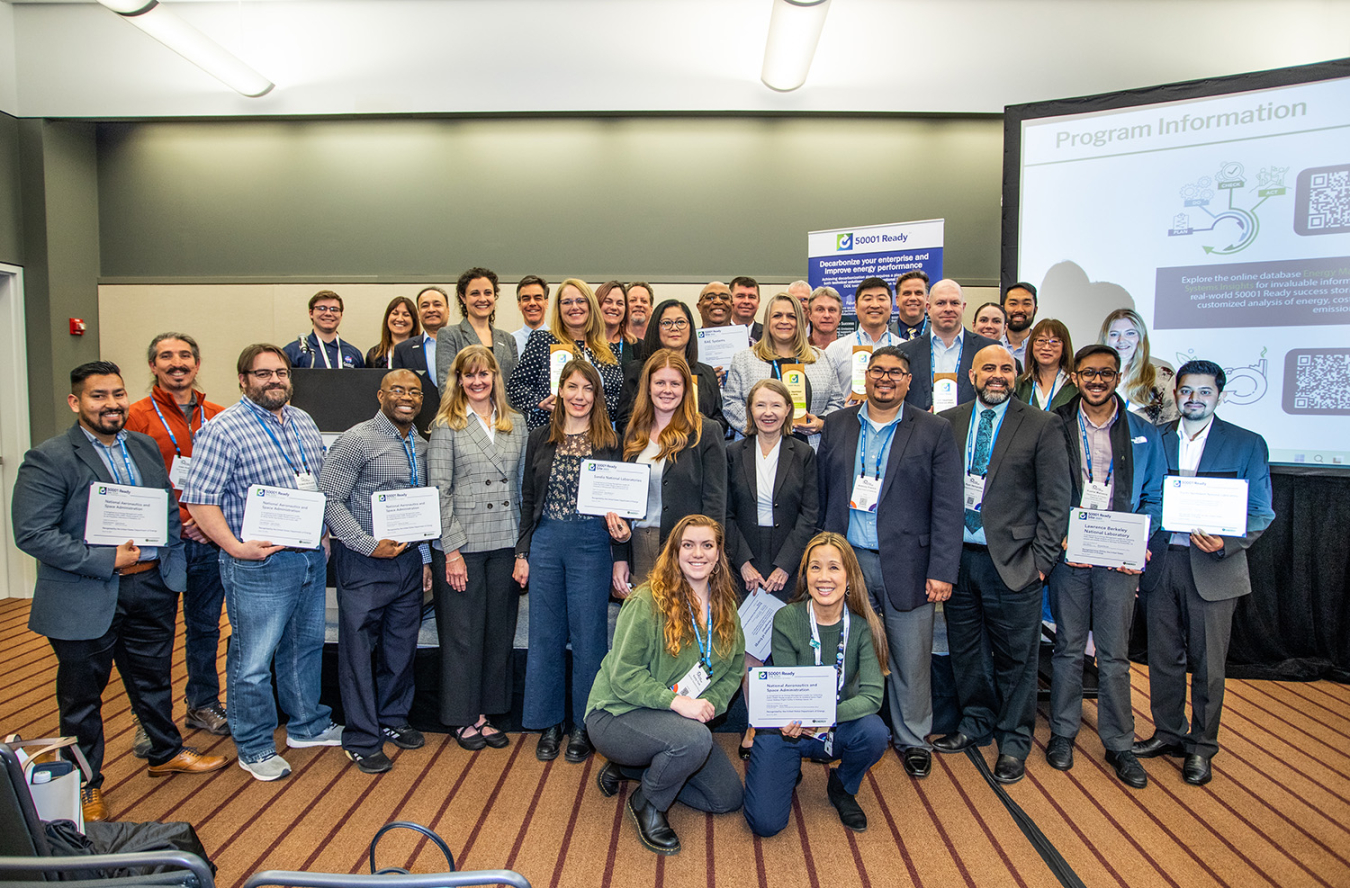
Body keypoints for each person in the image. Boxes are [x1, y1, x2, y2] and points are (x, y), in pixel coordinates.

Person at [13, 361, 229, 823]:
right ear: (76, 402)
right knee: (81, 699)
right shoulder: (49, 457)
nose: (110, 404)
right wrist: (104, 559)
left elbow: (165, 504)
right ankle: (85, 784)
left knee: (152, 681)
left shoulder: (144, 445)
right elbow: (32, 533)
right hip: (85, 592)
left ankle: (165, 751)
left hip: (150, 585)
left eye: (116, 394)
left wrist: (168, 549)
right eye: (97, 396)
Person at [181, 344, 344, 782]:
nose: (275, 380)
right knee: (252, 661)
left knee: (304, 647)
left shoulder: (302, 421)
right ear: (243, 379)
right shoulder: (223, 429)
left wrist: (324, 534)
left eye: (281, 372)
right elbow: (198, 499)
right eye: (263, 373)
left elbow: (316, 485)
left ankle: (307, 726)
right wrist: (234, 547)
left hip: (308, 555)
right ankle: (253, 746)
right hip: (258, 564)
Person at [817, 346, 963, 779]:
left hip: (909, 563)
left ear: (909, 381)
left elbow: (948, 506)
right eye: (877, 371)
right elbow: (823, 491)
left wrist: (942, 569)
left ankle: (913, 738)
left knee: (910, 655)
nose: (885, 378)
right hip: (845, 561)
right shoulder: (838, 424)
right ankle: (836, 729)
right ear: (865, 377)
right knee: (840, 649)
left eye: (895, 373)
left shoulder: (934, 430)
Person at [1132, 360, 1275, 786]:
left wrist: (1228, 541)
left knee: (1209, 665)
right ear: (1176, 393)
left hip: (1214, 565)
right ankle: (1168, 732)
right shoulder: (1154, 438)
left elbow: (1261, 509)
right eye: (1187, 391)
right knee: (1163, 657)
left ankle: (1201, 747)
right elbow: (1141, 495)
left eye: (1205, 392)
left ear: (1220, 395)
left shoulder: (1247, 443)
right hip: (1161, 562)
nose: (1194, 398)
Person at [933, 344, 1070, 785]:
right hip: (958, 561)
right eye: (988, 368)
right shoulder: (947, 423)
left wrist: (1042, 563)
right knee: (968, 652)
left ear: (1017, 376)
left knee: (1016, 659)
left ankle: (1014, 739)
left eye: (1005, 369)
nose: (997, 375)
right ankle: (975, 723)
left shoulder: (1042, 425)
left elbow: (1056, 501)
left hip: (1014, 563)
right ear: (971, 375)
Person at [587, 515, 746, 856]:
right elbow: (624, 675)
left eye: (707, 545)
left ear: (719, 554)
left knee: (727, 798)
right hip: (617, 712)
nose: (698, 553)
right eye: (688, 545)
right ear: (674, 552)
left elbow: (733, 668)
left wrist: (710, 704)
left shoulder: (727, 607)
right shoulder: (646, 601)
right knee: (694, 741)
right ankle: (648, 802)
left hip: (674, 721)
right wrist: (678, 704)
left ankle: (635, 766)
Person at [1047, 344, 1165, 789]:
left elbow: (1154, 494)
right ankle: (1062, 732)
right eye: (1088, 373)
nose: (1097, 381)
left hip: (1118, 558)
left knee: (1115, 656)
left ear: (1118, 378)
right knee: (1068, 649)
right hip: (1070, 555)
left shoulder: (1142, 431)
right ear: (1075, 377)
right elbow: (1044, 489)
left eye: (1106, 374)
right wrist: (1057, 535)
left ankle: (1119, 743)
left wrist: (1141, 542)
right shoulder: (1055, 426)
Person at [317, 370, 431, 774]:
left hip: (407, 561)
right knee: (358, 653)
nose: (407, 397)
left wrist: (426, 560)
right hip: (364, 563)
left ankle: (392, 718)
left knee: (401, 647)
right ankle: (362, 737)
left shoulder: (420, 443)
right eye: (398, 390)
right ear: (381, 394)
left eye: (414, 392)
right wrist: (367, 543)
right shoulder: (357, 439)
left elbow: (423, 505)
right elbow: (329, 499)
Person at [516, 360, 628, 764]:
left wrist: (621, 542)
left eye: (588, 389)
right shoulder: (540, 437)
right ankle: (549, 723)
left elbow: (622, 502)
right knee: (545, 634)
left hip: (592, 545)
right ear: (560, 391)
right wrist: (523, 552)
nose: (579, 396)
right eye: (573, 387)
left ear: (597, 396)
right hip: (546, 541)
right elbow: (528, 499)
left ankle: (584, 724)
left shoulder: (611, 441)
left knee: (589, 637)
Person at [743, 532, 891, 836]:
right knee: (765, 824)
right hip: (790, 730)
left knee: (875, 732)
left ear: (850, 576)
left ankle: (843, 785)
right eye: (815, 567)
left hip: (840, 724)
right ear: (805, 574)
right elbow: (787, 687)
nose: (824, 577)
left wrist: (823, 714)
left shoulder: (866, 627)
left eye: (834, 567)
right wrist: (797, 717)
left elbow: (872, 698)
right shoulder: (786, 618)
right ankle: (789, 769)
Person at [124, 333, 229, 742]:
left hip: (208, 540)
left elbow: (230, 479)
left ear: (197, 364)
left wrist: (206, 523)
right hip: (161, 542)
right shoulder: (135, 417)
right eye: (166, 356)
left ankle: (202, 704)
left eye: (185, 355)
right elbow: (133, 483)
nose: (177, 362)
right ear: (153, 366)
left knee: (204, 627)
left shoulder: (219, 416)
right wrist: (183, 518)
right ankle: (150, 722)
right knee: (155, 635)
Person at [427, 345, 527, 751]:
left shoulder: (515, 423)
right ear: (458, 380)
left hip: (505, 541)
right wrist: (450, 551)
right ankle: (462, 716)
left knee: (497, 633)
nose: (478, 381)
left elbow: (523, 489)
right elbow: (438, 490)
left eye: (485, 373)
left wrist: (524, 550)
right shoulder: (446, 424)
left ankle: (486, 711)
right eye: (470, 375)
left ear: (495, 378)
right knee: (462, 635)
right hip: (462, 546)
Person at [724, 378, 819, 758]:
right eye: (760, 405)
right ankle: (753, 724)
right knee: (749, 646)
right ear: (750, 411)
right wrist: (743, 562)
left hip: (788, 558)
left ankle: (786, 722)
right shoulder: (733, 453)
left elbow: (811, 513)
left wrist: (785, 565)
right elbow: (724, 512)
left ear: (787, 412)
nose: (768, 413)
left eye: (776, 406)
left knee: (784, 643)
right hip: (744, 556)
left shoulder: (804, 453)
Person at [616, 349, 727, 587]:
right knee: (645, 621)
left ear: (686, 389)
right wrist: (620, 557)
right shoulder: (633, 433)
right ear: (647, 386)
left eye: (675, 383)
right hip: (638, 545)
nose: (667, 390)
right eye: (660, 382)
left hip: (687, 550)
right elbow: (621, 503)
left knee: (681, 621)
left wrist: (709, 551)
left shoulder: (705, 432)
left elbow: (715, 501)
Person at [724, 293, 843, 450]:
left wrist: (822, 423)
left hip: (810, 447)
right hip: (757, 447)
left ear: (799, 321)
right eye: (777, 315)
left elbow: (837, 402)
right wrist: (761, 426)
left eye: (791, 316)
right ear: (768, 321)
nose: (784, 321)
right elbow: (730, 403)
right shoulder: (744, 359)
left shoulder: (821, 358)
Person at [508, 278, 623, 430]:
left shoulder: (608, 350)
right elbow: (515, 386)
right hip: (551, 434)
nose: (574, 307)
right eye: (567, 302)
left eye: (580, 301)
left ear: (591, 305)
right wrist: (539, 402)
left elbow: (620, 397)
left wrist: (590, 404)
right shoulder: (543, 341)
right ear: (559, 308)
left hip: (599, 437)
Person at [615, 298, 726, 434]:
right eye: (667, 323)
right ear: (656, 328)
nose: (674, 328)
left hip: (697, 450)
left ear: (691, 327)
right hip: (650, 448)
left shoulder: (707, 372)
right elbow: (624, 421)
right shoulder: (637, 370)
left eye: (681, 322)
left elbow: (719, 420)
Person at [896, 279, 1000, 412]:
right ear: (928, 308)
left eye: (954, 303)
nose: (948, 309)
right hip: (921, 428)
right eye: (941, 303)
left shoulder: (989, 349)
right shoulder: (905, 351)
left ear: (963, 307)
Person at [436, 267, 519, 395]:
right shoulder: (450, 335)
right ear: (463, 297)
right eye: (475, 293)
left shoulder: (508, 340)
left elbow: (515, 388)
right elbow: (447, 387)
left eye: (488, 293)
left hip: (505, 414)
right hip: (464, 414)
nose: (482, 299)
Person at [824, 277, 904, 404]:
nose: (875, 305)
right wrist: (838, 411)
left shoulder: (904, 347)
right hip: (848, 420)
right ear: (855, 306)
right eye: (867, 299)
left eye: (881, 299)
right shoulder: (835, 349)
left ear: (891, 306)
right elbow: (825, 396)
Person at [1098, 307, 1179, 425]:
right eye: (1114, 334)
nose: (1121, 340)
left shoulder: (1163, 377)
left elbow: (1171, 426)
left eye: (1130, 333)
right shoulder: (1090, 377)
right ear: (1105, 338)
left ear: (1141, 338)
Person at [283, 290, 364, 369]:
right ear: (311, 313)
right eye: (322, 308)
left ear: (341, 315)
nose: (328, 313)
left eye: (334, 309)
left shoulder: (354, 353)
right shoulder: (292, 351)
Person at [1014, 319, 1077, 411]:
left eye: (1054, 341)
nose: (1046, 347)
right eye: (1041, 340)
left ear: (1064, 347)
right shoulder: (1019, 384)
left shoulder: (1075, 385)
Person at [393, 287, 450, 388]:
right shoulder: (402, 350)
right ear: (418, 313)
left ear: (448, 310)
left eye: (437, 304)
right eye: (425, 306)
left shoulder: (465, 343)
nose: (431, 310)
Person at [596, 280, 639, 376]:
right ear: (596, 305)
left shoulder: (638, 347)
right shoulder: (585, 342)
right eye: (608, 301)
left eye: (620, 303)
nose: (614, 307)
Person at [366, 296, 421, 369]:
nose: (400, 319)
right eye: (395, 313)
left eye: (406, 315)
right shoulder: (374, 354)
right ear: (387, 319)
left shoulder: (423, 352)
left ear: (414, 321)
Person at [1001, 282, 1039, 366]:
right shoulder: (993, 344)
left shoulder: (1042, 349)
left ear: (1035, 310)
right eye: (1013, 304)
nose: (1019, 309)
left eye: (1026, 304)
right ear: (1003, 309)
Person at [512, 276, 551, 357]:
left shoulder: (559, 340)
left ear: (546, 303)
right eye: (526, 299)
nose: (532, 303)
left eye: (538, 298)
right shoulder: (509, 342)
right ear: (519, 304)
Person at [893, 270, 930, 341]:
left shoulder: (939, 333)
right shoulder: (884, 334)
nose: (913, 298)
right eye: (907, 293)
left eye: (918, 293)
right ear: (897, 300)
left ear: (927, 299)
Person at [806, 285, 843, 351]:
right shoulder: (797, 350)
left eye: (832, 310)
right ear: (810, 315)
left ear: (840, 315)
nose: (826, 315)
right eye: (820, 309)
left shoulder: (849, 350)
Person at [730, 276, 764, 343]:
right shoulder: (717, 333)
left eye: (751, 297)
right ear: (730, 300)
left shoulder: (769, 334)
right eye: (740, 296)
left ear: (758, 302)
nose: (746, 301)